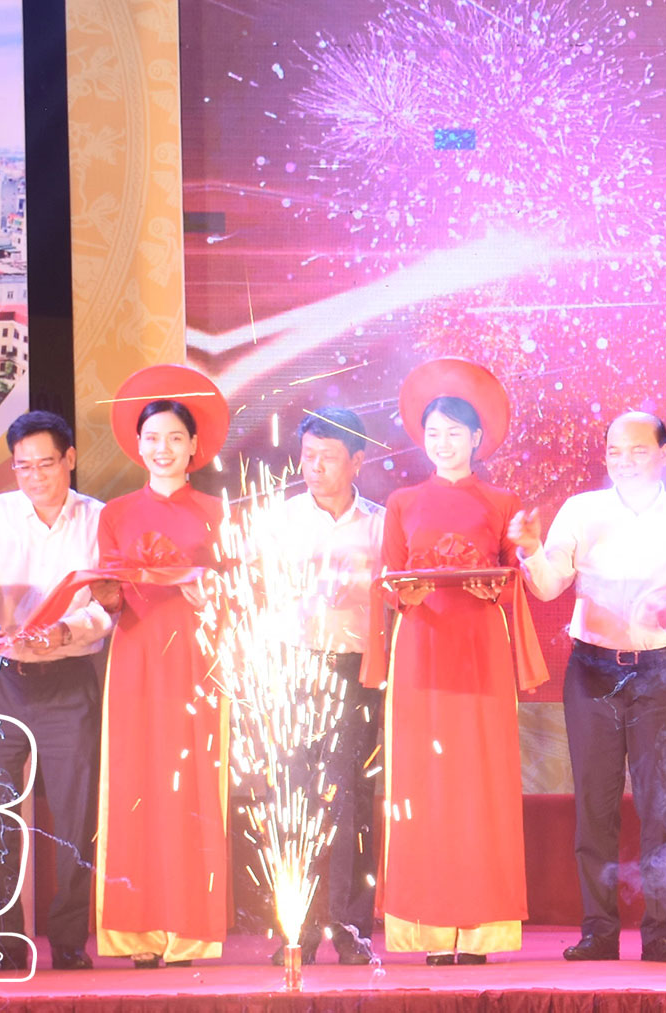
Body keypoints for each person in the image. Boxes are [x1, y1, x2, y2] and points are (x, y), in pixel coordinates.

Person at [378, 359, 548, 964]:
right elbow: (389, 580)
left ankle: (479, 930)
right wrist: (407, 592)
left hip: (480, 649)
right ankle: (428, 928)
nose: (443, 442)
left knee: (481, 783)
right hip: (420, 649)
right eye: (434, 433)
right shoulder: (402, 501)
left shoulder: (502, 501)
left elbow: (513, 580)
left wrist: (495, 586)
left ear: (477, 438)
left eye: (455, 432)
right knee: (423, 783)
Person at [523, 411, 666, 964]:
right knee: (595, 806)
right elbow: (550, 583)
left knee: (661, 806)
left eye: (638, 450)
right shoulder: (582, 510)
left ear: (665, 454)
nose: (624, 461)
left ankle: (661, 933)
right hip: (593, 670)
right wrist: (531, 550)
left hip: (661, 671)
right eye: (614, 452)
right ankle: (598, 931)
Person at [83, 364, 231, 966]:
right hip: (137, 655)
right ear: (137, 445)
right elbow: (110, 594)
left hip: (196, 658)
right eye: (152, 438)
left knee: (192, 781)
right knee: (136, 780)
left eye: (174, 437)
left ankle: (189, 928)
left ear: (194, 446)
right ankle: (139, 932)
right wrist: (105, 593)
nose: (163, 448)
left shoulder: (218, 512)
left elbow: (241, 592)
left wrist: (208, 591)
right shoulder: (115, 513)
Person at [0, 409, 110, 972]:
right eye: (23, 467)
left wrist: (67, 630)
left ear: (69, 459)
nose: (35, 477)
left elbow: (109, 602)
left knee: (76, 815)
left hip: (69, 677)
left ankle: (68, 939)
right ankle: (3, 940)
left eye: (46, 464)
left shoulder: (99, 518)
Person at [264, 405, 384, 966]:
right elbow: (258, 592)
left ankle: (351, 929)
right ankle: (298, 931)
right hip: (294, 669)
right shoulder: (281, 520)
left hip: (355, 672)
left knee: (350, 800)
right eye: (308, 456)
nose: (314, 467)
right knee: (294, 799)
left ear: (357, 460)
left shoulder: (380, 524)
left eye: (328, 457)